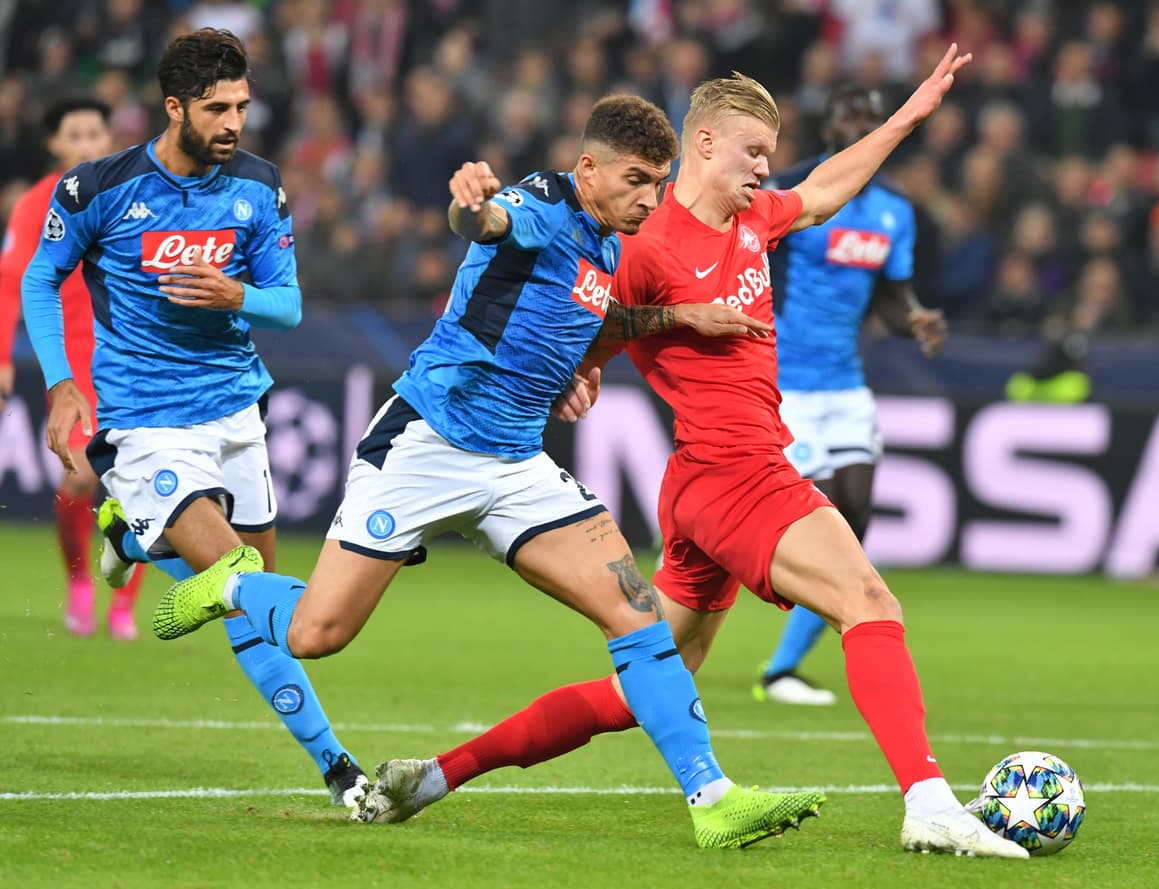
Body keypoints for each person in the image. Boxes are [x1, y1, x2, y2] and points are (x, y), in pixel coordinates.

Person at [358, 46, 1030, 860]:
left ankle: (431, 775)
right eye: (754, 153)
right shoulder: (644, 246)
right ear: (705, 144)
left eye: (771, 159)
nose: (765, 171)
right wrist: (584, 369)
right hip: (733, 469)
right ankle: (927, 800)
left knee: (639, 689)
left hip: (703, 487)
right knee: (870, 600)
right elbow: (586, 320)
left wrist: (906, 120)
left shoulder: (756, 220)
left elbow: (825, 190)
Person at [150, 93, 828, 849]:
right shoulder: (542, 200)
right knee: (315, 633)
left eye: (661, 183)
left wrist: (673, 318)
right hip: (428, 443)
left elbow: (599, 317)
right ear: (590, 167)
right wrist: (470, 208)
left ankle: (713, 797)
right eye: (637, 179)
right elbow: (488, 223)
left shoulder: (611, 241)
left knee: (637, 611)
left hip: (514, 462)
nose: (652, 198)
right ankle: (230, 582)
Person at [21, 28, 367, 810]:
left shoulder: (258, 185)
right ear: (173, 106)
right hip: (148, 421)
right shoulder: (97, 188)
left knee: (253, 608)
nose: (235, 123)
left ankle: (131, 537)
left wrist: (237, 294)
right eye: (217, 108)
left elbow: (289, 304)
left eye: (242, 106)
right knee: (246, 582)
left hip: (237, 412)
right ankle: (345, 764)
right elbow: (43, 280)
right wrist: (61, 382)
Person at [752, 84, 947, 706]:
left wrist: (913, 316)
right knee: (824, 511)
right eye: (851, 115)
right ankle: (780, 667)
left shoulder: (893, 211)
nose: (861, 125)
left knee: (856, 513)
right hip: (787, 384)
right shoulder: (791, 192)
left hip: (846, 385)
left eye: (871, 118)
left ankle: (782, 667)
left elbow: (892, 293)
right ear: (831, 122)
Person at [0, 97, 148, 639]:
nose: (87, 144)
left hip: (135, 356)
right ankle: (82, 583)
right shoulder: (37, 204)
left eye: (95, 134)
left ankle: (125, 605)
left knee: (144, 481)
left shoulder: (132, 194)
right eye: (75, 135)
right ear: (55, 145)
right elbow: (10, 280)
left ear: (108, 140)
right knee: (81, 477)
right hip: (71, 361)